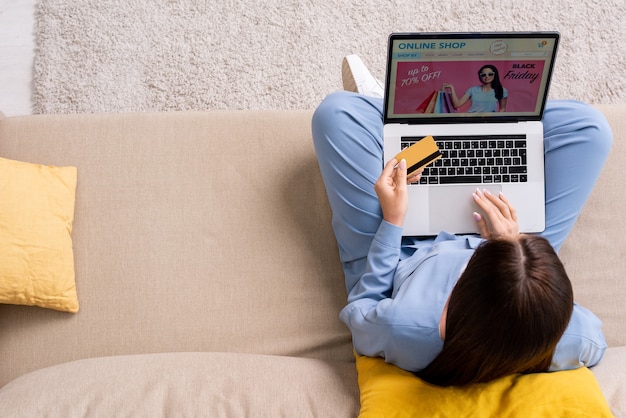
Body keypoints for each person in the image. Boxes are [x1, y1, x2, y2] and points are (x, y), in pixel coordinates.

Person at [311, 55, 611, 387]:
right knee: (590, 128)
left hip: (403, 254)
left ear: (452, 305)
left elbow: (362, 308)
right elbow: (590, 334)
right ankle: (456, 127)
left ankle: (391, 111)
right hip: (511, 267)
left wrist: (393, 220)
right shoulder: (573, 338)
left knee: (337, 113)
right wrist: (514, 247)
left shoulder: (406, 327)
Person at [443, 64, 508, 112]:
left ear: (495, 75)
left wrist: (496, 121)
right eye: (483, 75)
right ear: (480, 77)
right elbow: (457, 104)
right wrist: (452, 88)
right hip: (471, 120)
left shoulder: (502, 90)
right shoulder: (473, 90)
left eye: (490, 74)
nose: (487, 77)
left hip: (489, 121)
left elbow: (502, 109)